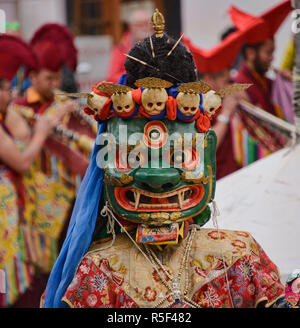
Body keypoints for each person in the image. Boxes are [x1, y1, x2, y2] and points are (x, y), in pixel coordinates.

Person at [41, 9, 293, 309]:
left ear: (207, 157)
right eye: (135, 156)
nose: (158, 178)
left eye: (180, 155)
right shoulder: (97, 272)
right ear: (106, 162)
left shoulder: (241, 257)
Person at [0, 34, 74, 307]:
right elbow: (22, 161)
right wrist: (43, 130)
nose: (11, 94)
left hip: (25, 211)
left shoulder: (10, 113)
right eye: (6, 88)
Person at [228, 0, 292, 166]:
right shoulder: (237, 86)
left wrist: (289, 82)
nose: (272, 58)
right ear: (250, 53)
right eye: (268, 53)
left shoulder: (269, 83)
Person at [106, 8, 152, 83]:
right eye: (140, 24)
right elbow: (112, 77)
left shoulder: (161, 45)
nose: (145, 28)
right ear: (131, 26)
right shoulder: (121, 48)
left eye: (147, 24)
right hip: (131, 92)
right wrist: (136, 77)